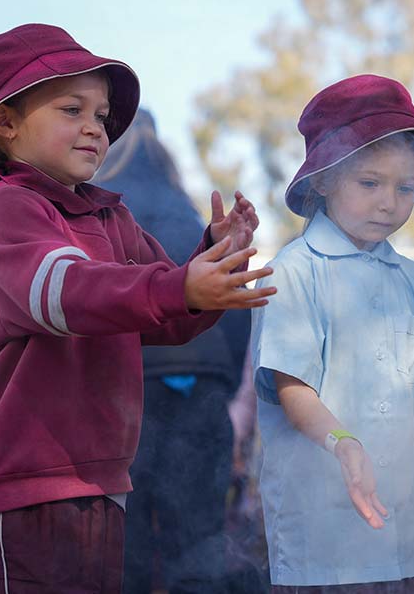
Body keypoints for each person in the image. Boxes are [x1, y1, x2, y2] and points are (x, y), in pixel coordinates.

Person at [0, 23, 275, 594]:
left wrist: (212, 261)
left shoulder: (111, 217)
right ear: (6, 123)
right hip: (25, 484)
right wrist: (177, 288)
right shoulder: (11, 207)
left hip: (102, 480)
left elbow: (167, 320)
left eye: (101, 116)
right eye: (72, 109)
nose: (96, 129)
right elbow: (63, 294)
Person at [252, 74, 414, 592]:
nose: (390, 204)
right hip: (322, 532)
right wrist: (343, 443)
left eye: (405, 189)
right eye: (370, 184)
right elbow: (292, 388)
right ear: (325, 181)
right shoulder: (294, 271)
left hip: (404, 528)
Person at [94, 109, 255, 593]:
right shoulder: (190, 215)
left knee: (128, 545)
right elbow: (236, 307)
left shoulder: (103, 217)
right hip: (202, 396)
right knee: (200, 546)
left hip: (127, 399)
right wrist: (223, 390)